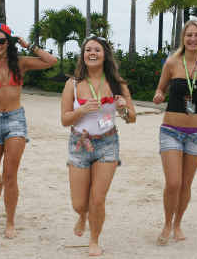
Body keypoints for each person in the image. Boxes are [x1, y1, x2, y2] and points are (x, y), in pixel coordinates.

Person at [0, 23, 57, 239]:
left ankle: (10, 222)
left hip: (15, 120)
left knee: (11, 174)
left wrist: (28, 45)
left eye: (1, 41)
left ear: (8, 42)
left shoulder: (20, 63)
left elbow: (51, 61)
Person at [60, 35, 136, 256]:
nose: (92, 53)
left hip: (107, 143)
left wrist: (122, 108)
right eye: (88, 50)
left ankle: (94, 240)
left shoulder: (117, 84)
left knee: (98, 198)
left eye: (97, 50)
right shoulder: (72, 84)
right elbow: (64, 120)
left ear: (105, 55)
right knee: (79, 203)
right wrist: (81, 111)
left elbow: (132, 118)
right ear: (83, 56)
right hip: (79, 143)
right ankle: (82, 216)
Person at [152, 20, 197, 245]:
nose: (193, 39)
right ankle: (166, 223)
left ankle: (178, 223)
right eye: (189, 35)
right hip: (171, 130)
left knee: (185, 184)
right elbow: (160, 88)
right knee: (173, 183)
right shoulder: (172, 61)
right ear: (183, 38)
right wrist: (159, 95)